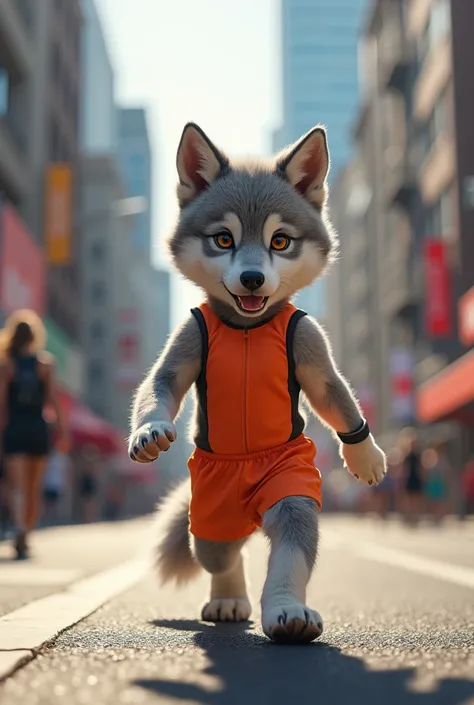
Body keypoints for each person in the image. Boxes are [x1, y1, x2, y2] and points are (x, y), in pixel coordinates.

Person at [0, 309, 65, 559]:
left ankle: (18, 527)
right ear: (35, 336)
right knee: (33, 488)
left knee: (17, 486)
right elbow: (54, 401)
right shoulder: (45, 364)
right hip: (38, 428)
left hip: (15, 428)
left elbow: (2, 404)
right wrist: (63, 431)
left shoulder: (7, 365)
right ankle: (26, 531)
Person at [399, 428, 424, 525]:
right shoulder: (407, 455)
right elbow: (404, 469)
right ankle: (408, 517)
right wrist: (403, 479)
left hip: (416, 478)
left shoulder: (418, 455)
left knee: (416, 499)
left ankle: (415, 517)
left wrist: (422, 477)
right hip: (409, 478)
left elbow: (421, 467)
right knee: (408, 499)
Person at [422, 444, 450, 524]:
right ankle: (434, 516)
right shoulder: (432, 458)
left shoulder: (443, 460)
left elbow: (447, 472)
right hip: (433, 482)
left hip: (439, 482)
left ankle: (439, 517)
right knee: (433, 501)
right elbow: (427, 470)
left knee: (439, 501)